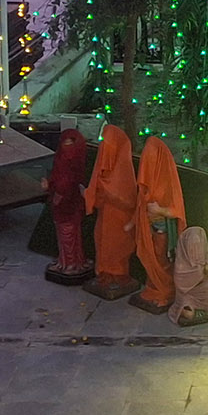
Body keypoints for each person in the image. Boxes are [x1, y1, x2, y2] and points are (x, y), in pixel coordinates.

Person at [81, 124, 139, 300]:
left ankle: (118, 275)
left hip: (119, 220)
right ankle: (105, 274)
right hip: (104, 216)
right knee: (101, 242)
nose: (103, 147)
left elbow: (126, 199)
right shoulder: (104, 171)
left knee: (116, 247)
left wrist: (104, 190)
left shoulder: (124, 171)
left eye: (107, 143)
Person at [129, 137, 186, 314]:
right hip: (148, 230)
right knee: (150, 260)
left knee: (162, 262)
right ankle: (153, 289)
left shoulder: (167, 179)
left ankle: (165, 292)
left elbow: (177, 210)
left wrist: (160, 210)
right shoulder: (148, 182)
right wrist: (133, 222)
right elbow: (141, 203)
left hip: (162, 231)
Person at [42, 128, 93, 286]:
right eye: (64, 145)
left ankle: (72, 264)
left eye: (71, 145)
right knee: (66, 235)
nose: (67, 149)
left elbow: (69, 184)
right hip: (63, 205)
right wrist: (50, 186)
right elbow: (58, 180)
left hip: (70, 205)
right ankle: (67, 262)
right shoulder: (62, 162)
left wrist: (58, 192)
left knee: (69, 235)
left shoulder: (75, 164)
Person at [168, 225, 208, 327]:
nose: (196, 249)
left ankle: (205, 308)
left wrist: (207, 267)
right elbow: (183, 285)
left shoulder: (204, 258)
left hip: (201, 289)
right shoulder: (181, 265)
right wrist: (201, 272)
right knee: (189, 314)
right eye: (193, 245)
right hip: (187, 295)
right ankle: (188, 310)